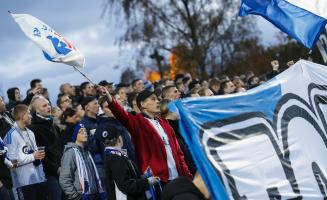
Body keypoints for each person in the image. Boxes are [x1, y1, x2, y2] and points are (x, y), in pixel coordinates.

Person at [105, 89, 192, 186]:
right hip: (158, 180)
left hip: (178, 176)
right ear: (142, 104)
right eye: (153, 99)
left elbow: (178, 152)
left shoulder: (165, 123)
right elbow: (122, 115)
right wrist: (110, 99)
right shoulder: (138, 123)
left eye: (157, 99)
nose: (157, 101)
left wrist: (187, 174)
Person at [101, 126, 159, 200]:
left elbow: (128, 177)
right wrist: (147, 182)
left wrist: (143, 176)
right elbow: (125, 185)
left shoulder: (114, 156)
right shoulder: (116, 158)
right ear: (119, 139)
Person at [4, 104, 47, 200]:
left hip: (38, 178)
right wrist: (33, 156)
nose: (31, 116)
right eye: (28, 113)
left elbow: (34, 153)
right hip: (24, 182)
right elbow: (11, 162)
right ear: (23, 116)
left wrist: (38, 157)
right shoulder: (11, 135)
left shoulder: (30, 132)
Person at [28, 96, 63, 200]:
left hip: (62, 171)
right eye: (44, 106)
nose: (48, 107)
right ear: (37, 110)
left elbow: (60, 148)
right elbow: (40, 155)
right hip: (48, 175)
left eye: (48, 104)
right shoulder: (33, 129)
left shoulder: (54, 125)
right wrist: (56, 168)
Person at [59, 123, 106, 200]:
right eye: (81, 131)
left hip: (93, 196)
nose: (85, 133)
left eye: (85, 131)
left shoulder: (87, 152)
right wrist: (75, 197)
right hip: (80, 196)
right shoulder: (70, 153)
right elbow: (64, 179)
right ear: (75, 135)